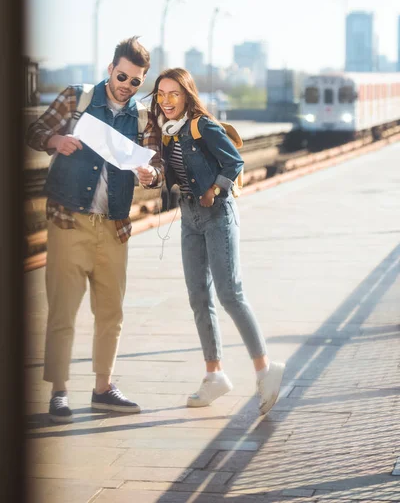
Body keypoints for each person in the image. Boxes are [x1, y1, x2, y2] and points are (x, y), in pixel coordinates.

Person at [26, 37, 162, 423]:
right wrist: (55, 139)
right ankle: (59, 391)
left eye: (136, 81)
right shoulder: (77, 98)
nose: (127, 85)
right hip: (70, 220)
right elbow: (34, 133)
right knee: (63, 310)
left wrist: (152, 175)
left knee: (111, 312)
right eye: (122, 76)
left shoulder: (142, 118)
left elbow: (158, 168)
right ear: (110, 69)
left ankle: (103, 389)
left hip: (115, 226)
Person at [149, 68, 285, 414]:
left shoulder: (202, 126)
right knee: (198, 296)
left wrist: (214, 189)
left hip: (218, 215)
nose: (166, 100)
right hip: (189, 218)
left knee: (230, 293)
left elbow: (234, 161)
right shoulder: (167, 134)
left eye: (173, 94)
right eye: (161, 94)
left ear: (187, 95)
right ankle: (215, 376)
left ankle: (265, 370)